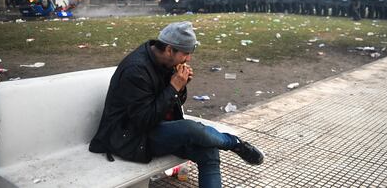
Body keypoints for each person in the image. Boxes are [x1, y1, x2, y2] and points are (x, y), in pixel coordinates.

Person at [89, 21, 264, 188]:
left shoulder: (166, 61)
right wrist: (174, 86)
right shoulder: (136, 71)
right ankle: (233, 143)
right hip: (131, 136)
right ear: (169, 49)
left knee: (209, 151)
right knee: (191, 129)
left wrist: (181, 86)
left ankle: (232, 143)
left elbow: (175, 103)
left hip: (159, 128)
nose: (188, 58)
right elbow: (144, 120)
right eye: (185, 53)